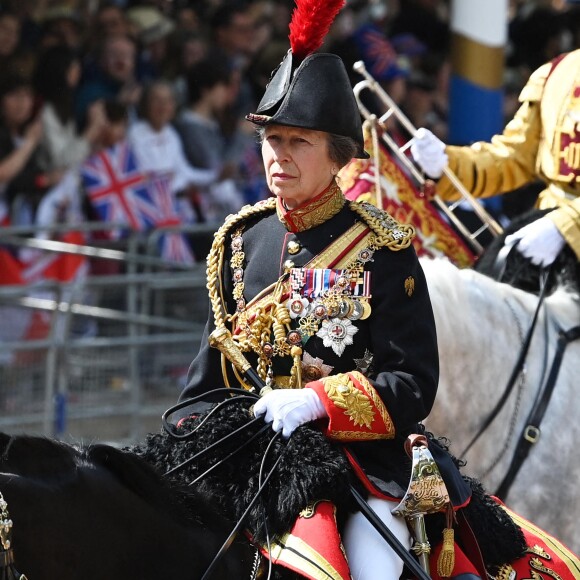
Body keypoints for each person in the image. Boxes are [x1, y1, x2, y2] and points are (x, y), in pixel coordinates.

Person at [175, 2, 513, 579]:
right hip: (255, 458)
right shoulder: (239, 241)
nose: (279, 154)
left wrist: (317, 401)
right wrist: (193, 435)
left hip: (361, 465)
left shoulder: (382, 248)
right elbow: (207, 380)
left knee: (375, 566)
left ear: (339, 155)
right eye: (272, 138)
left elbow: (412, 383)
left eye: (299, 141)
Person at [410, 49, 580, 267]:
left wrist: (567, 226)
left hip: (555, 230)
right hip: (543, 231)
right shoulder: (559, 72)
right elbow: (513, 157)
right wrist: (449, 163)